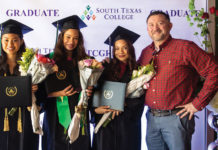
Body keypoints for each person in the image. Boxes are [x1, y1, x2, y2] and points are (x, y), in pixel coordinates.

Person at [137, 11, 218, 150]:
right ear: (147, 29)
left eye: (160, 23)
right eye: (151, 24)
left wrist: (197, 104)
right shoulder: (146, 53)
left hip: (177, 119)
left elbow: (214, 71)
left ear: (170, 26)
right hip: (152, 119)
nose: (155, 28)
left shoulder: (185, 48)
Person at [42, 15, 92, 150]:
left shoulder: (87, 62)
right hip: (55, 116)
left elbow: (95, 87)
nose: (71, 41)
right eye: (68, 37)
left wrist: (91, 90)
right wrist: (54, 93)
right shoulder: (48, 61)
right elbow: (39, 91)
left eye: (76, 38)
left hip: (79, 112)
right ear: (61, 37)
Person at [92, 26, 144, 150]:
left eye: (124, 48)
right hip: (105, 124)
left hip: (127, 125)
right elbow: (93, 92)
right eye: (117, 48)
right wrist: (95, 110)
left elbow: (141, 98)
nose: (120, 51)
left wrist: (124, 104)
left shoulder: (139, 71)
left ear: (130, 49)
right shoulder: (104, 68)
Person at [0, 19, 43, 150]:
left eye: (15, 40)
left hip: (26, 120)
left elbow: (43, 98)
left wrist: (34, 93)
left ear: (21, 41)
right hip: (2, 120)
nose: (10, 44)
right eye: (6, 39)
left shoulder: (32, 65)